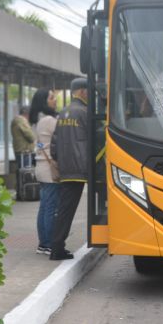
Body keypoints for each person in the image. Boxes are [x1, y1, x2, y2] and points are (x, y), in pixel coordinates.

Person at [49, 78, 89, 260]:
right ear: (82, 92)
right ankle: (57, 248)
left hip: (66, 168)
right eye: (88, 91)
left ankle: (57, 246)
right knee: (67, 210)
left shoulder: (64, 112)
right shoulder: (84, 112)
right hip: (79, 169)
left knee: (64, 209)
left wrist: (60, 161)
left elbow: (54, 144)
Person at [30, 88, 60, 255]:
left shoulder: (36, 120)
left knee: (44, 206)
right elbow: (62, 137)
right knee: (50, 207)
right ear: (44, 101)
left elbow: (40, 144)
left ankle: (43, 243)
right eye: (51, 97)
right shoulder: (49, 120)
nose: (54, 99)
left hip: (41, 166)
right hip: (50, 169)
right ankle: (48, 243)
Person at [10, 105, 35, 170]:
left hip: (21, 152)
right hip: (24, 152)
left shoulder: (16, 120)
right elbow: (31, 136)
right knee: (26, 173)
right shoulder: (21, 120)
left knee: (22, 172)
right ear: (27, 113)